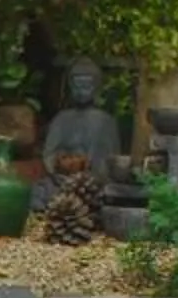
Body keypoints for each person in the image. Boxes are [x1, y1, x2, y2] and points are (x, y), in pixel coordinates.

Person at [34, 58, 129, 208]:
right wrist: (59, 171)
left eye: (86, 86)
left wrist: (90, 176)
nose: (81, 92)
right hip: (62, 179)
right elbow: (49, 153)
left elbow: (110, 159)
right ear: (70, 87)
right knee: (38, 192)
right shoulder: (61, 119)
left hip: (93, 183)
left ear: (96, 88)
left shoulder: (105, 121)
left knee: (106, 195)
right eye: (77, 86)